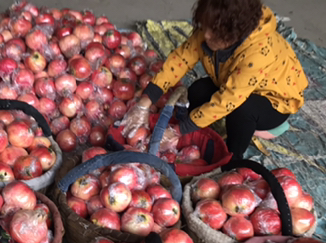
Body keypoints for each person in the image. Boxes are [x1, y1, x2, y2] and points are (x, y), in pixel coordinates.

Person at [120, 0, 309, 160]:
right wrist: (145, 102)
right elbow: (180, 60)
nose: (207, 35)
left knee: (241, 111)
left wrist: (179, 130)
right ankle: (192, 133)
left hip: (274, 101)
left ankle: (233, 159)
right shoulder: (213, 30)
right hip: (236, 83)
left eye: (213, 31)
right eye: (205, 26)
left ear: (234, 35)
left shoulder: (258, 53)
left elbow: (228, 100)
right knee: (198, 90)